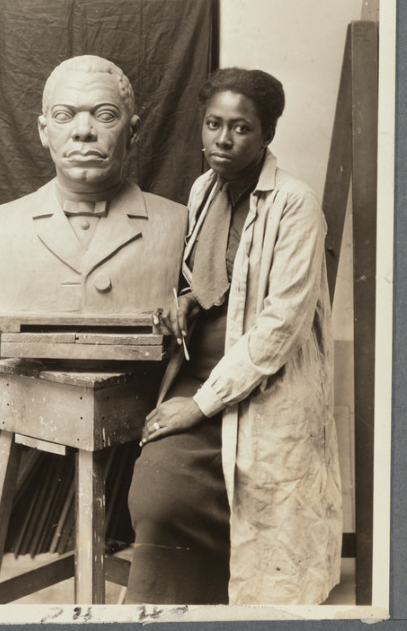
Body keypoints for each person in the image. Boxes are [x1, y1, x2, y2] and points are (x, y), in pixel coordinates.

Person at [126, 67, 343, 606]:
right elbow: (211, 283)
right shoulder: (204, 191)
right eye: (213, 124)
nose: (222, 140)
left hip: (267, 387)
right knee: (156, 491)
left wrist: (197, 407)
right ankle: (168, 608)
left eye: (240, 128)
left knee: (260, 503)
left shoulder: (296, 205)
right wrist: (183, 301)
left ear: (267, 134)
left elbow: (279, 327)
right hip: (200, 371)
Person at [0, 55, 187, 315]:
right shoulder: (7, 221)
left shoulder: (174, 219)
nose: (83, 131)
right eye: (64, 115)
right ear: (43, 131)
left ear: (133, 132)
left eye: (105, 115)